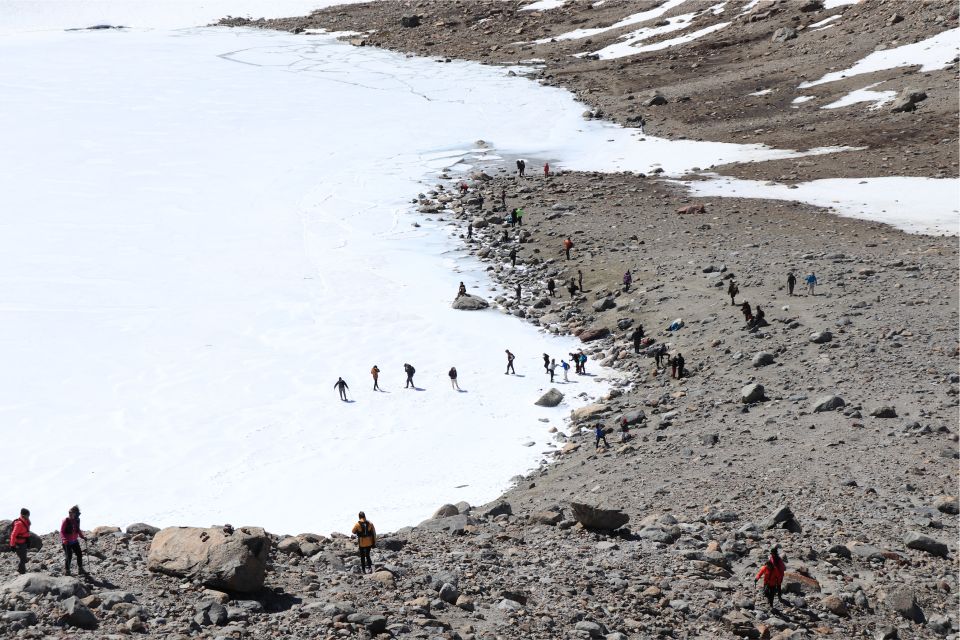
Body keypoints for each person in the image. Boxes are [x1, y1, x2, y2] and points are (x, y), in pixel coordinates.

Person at [61, 505, 87, 576]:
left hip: (74, 540)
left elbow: (78, 530)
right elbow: (62, 531)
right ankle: (67, 571)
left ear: (76, 513)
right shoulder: (66, 521)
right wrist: (64, 539)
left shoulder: (77, 520)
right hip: (67, 542)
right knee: (69, 556)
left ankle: (80, 569)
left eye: (71, 512)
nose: (70, 514)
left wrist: (82, 537)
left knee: (79, 554)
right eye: (69, 512)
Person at [10, 508, 30, 575]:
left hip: (24, 542)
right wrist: (12, 545)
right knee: (23, 558)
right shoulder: (19, 524)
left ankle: (22, 571)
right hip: (18, 543)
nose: (28, 516)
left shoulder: (26, 521)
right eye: (27, 515)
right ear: (23, 515)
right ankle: (21, 572)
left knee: (24, 558)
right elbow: (13, 535)